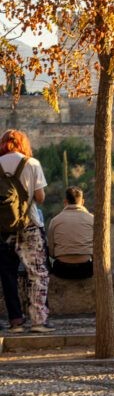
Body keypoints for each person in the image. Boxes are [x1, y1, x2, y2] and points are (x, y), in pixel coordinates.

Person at [0, 130, 50, 333]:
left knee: (7, 274)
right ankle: (38, 320)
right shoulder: (32, 164)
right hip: (29, 225)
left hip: (3, 228)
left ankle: (15, 321)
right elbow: (40, 198)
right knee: (37, 273)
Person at [47, 187, 94, 280]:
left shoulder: (55, 220)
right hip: (86, 270)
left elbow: (51, 252)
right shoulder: (92, 219)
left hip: (61, 271)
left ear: (65, 202)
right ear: (83, 202)